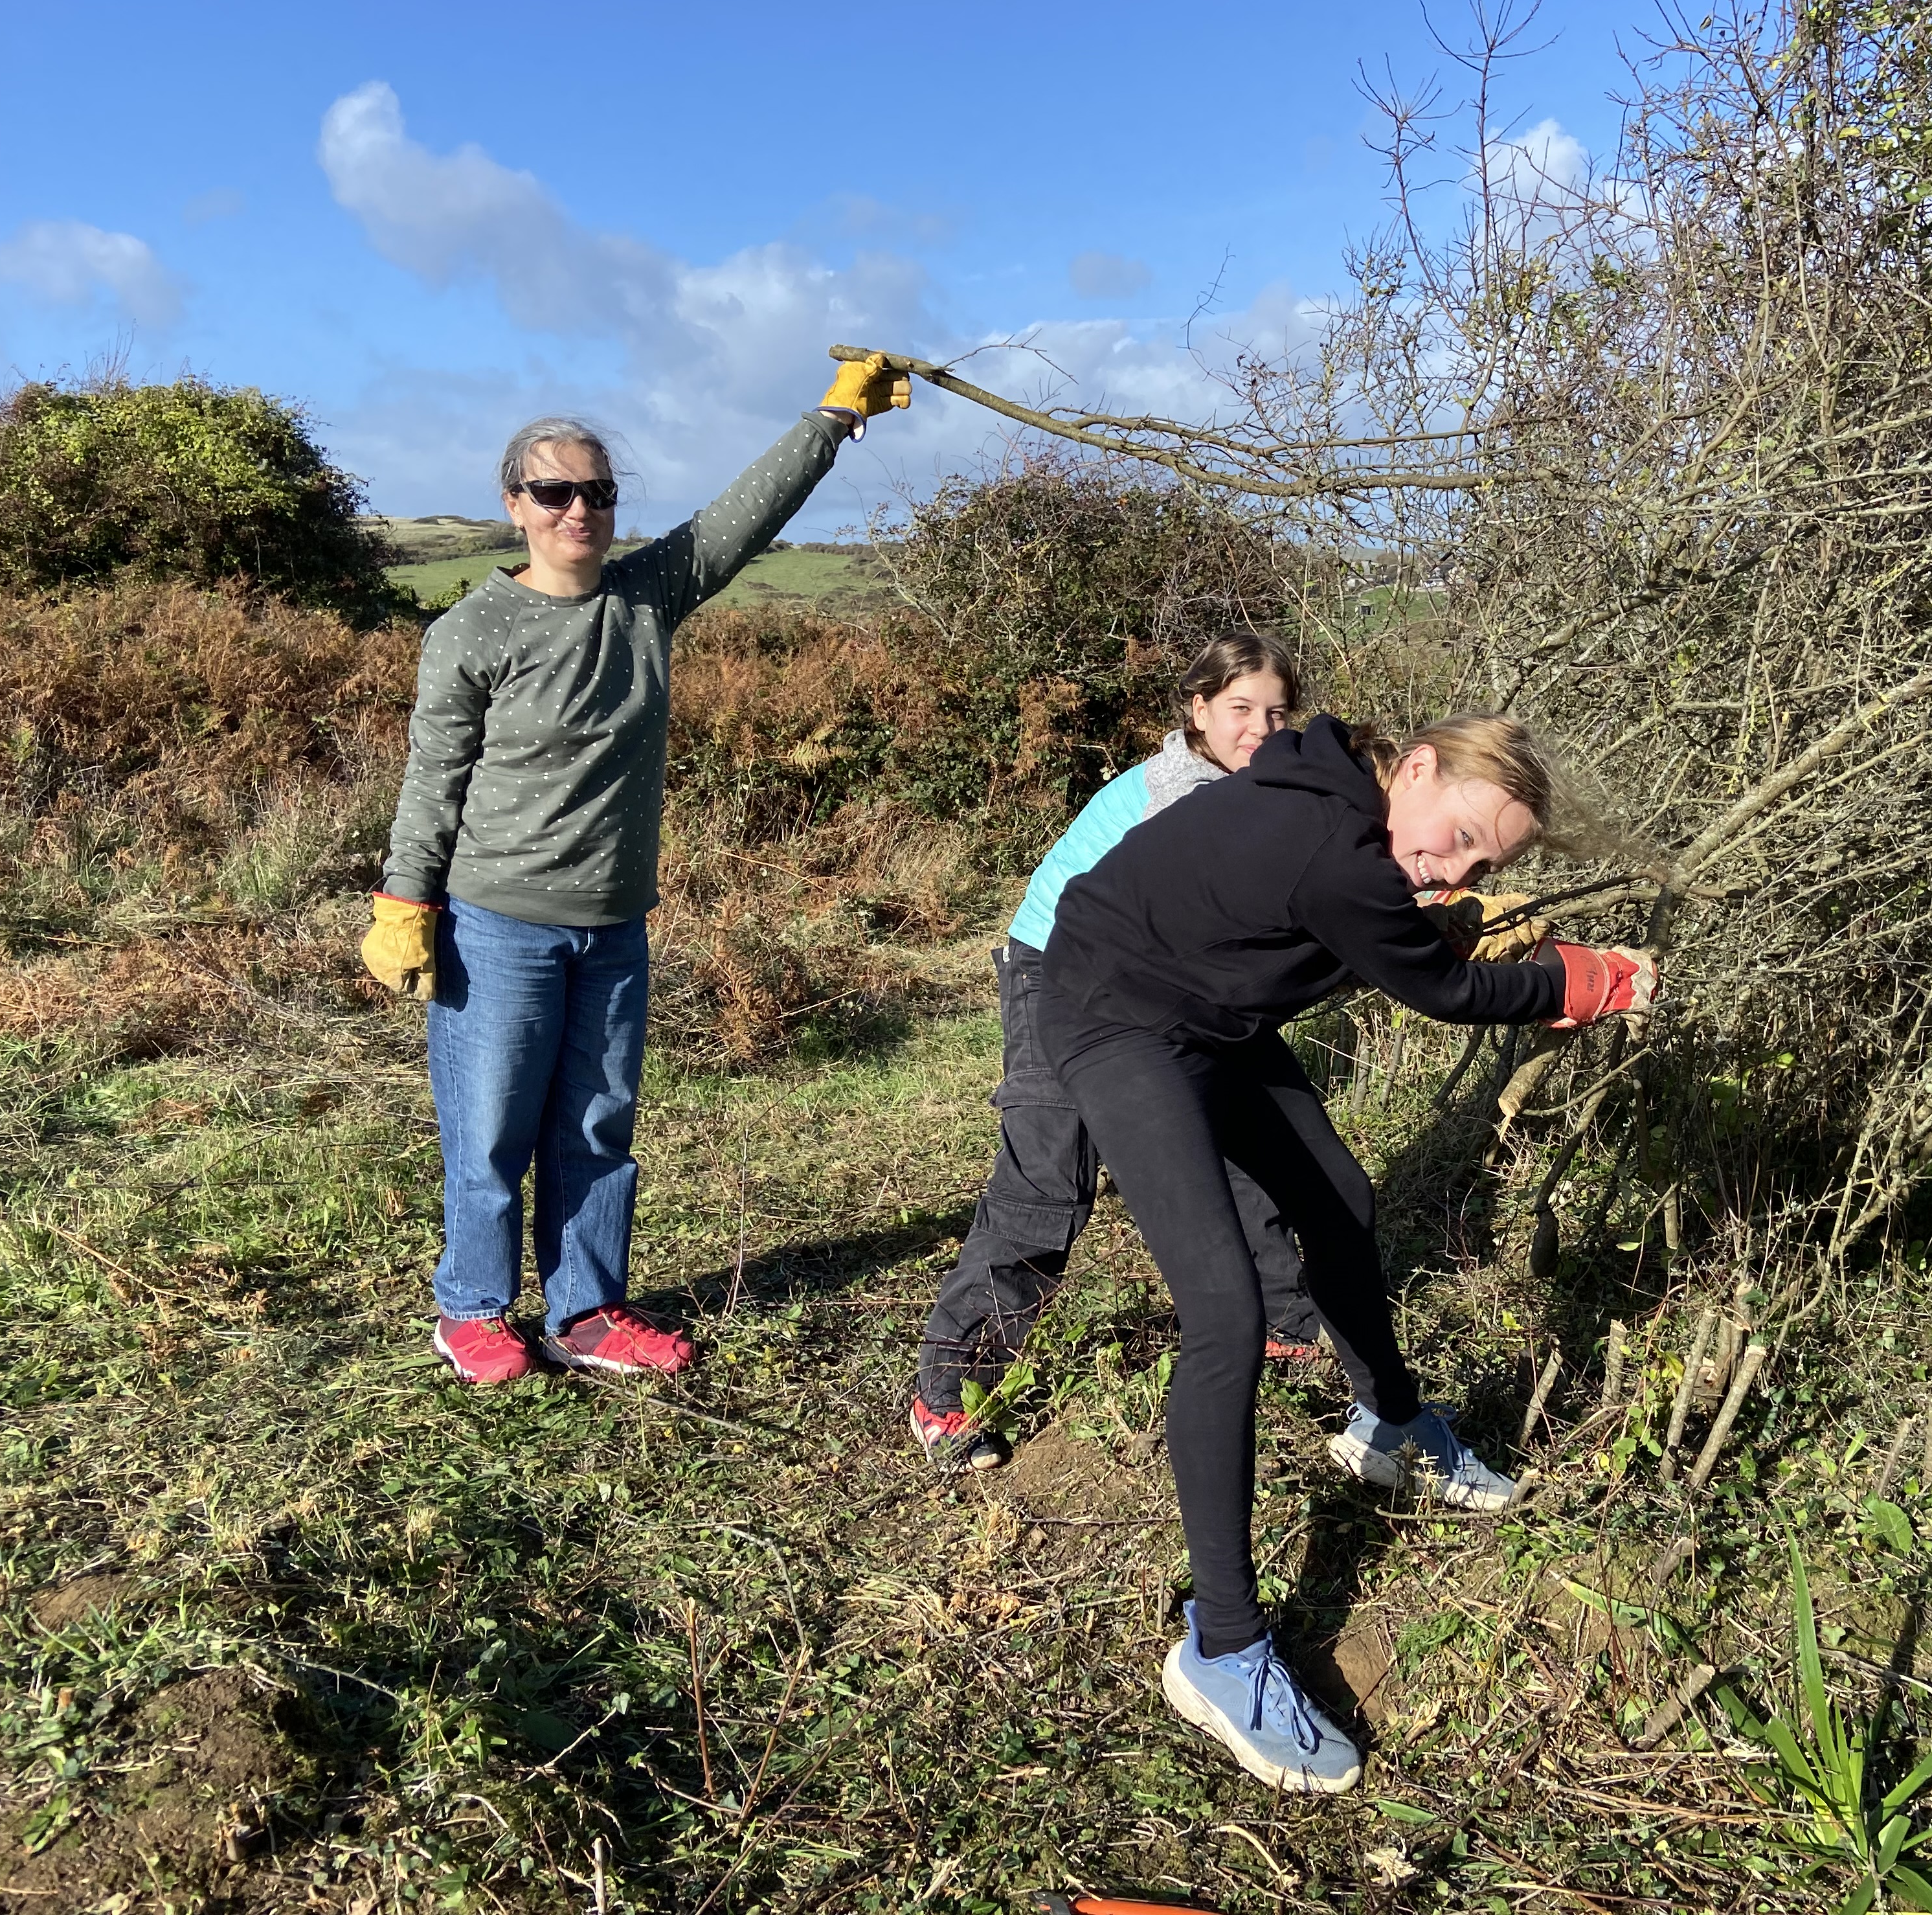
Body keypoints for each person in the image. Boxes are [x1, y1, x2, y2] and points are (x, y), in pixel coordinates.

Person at [1039, 712, 1657, 1791]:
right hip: (1116, 1014)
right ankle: (1222, 1649)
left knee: (1340, 1203)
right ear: (1413, 768)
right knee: (1226, 1318)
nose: (1452, 866)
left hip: (1208, 1015)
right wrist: (1581, 980)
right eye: (1456, 833)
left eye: (1483, 861)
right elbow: (1441, 991)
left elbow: (1355, 943)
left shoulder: (1343, 804)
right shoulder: (1336, 847)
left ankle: (1391, 1423)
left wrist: (1451, 918)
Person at [358, 353, 914, 1383]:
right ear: (515, 504)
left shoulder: (645, 599)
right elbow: (433, 780)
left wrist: (831, 421)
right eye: (557, 491)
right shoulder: (472, 631)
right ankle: (473, 1311)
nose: (581, 509)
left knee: (597, 1126)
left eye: (599, 493)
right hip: (497, 923)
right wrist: (405, 902)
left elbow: (735, 522)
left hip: (615, 923)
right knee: (488, 1134)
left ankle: (586, 1313)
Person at [910, 632, 1326, 1473]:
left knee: (1243, 1137)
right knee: (1050, 1178)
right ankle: (945, 1391)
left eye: (1278, 712)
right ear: (1198, 709)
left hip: (1166, 981)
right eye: (1240, 708)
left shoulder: (1266, 789)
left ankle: (1287, 1330)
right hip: (1058, 970)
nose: (1260, 727)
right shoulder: (1177, 798)